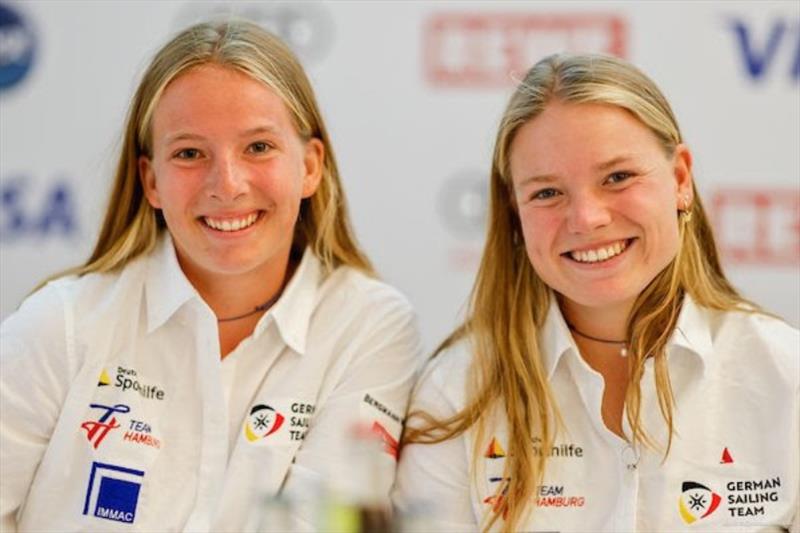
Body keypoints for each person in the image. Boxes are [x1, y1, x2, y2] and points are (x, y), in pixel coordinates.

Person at [0, 20, 420, 531]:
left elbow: (329, 526)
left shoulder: (368, 326)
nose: (227, 184)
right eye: (190, 153)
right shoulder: (61, 324)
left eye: (259, 147)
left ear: (310, 166)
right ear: (151, 180)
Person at [393, 54, 799, 532]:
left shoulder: (784, 374)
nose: (586, 218)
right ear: (514, 212)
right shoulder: (456, 394)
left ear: (680, 179)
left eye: (618, 178)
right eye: (547, 193)